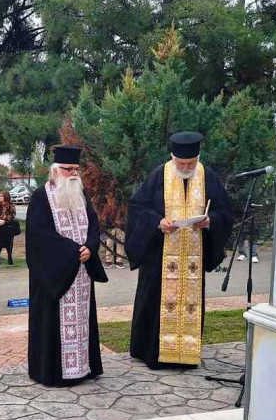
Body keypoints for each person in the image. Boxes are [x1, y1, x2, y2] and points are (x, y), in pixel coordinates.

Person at [126, 132, 234, 369]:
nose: (185, 168)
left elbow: (225, 211)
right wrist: (158, 222)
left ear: (198, 158)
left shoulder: (207, 176)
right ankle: (152, 353)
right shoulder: (159, 175)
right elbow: (137, 208)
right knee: (154, 303)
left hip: (192, 259)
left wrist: (210, 221)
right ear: (172, 157)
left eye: (190, 163)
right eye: (181, 163)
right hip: (159, 257)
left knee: (189, 304)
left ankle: (186, 355)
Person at [26, 146, 110, 386]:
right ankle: (54, 372)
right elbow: (39, 236)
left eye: (75, 169)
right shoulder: (41, 197)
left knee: (83, 321)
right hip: (54, 275)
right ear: (55, 171)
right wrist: (74, 252)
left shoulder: (82, 194)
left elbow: (93, 225)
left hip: (81, 273)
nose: (73, 174)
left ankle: (83, 367)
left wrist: (90, 247)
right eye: (67, 169)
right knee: (53, 323)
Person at [0, 191, 17, 267]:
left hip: (8, 228)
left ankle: (10, 259)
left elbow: (12, 215)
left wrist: (5, 220)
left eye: (2, 196)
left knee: (9, 245)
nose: (0, 197)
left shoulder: (11, 205)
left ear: (6, 197)